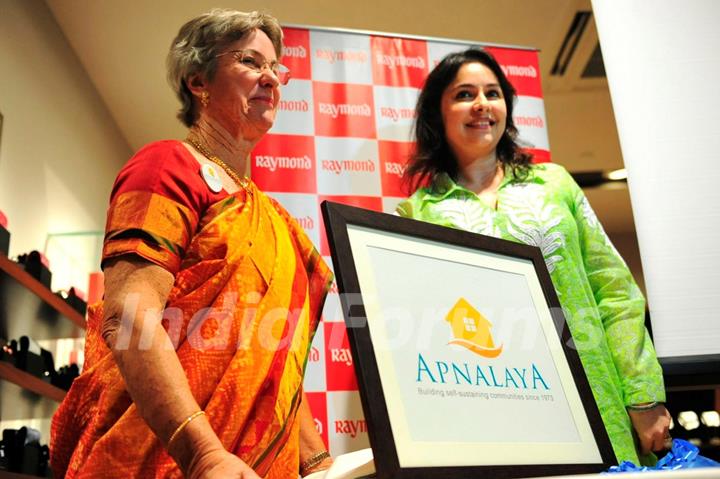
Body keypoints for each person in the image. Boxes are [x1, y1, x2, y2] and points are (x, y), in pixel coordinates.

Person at [51, 10, 333, 478]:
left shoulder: (276, 221)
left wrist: (320, 465)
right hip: (170, 461)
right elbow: (128, 317)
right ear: (198, 81)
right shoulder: (168, 166)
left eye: (277, 69)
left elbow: (274, 369)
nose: (271, 79)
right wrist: (202, 453)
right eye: (250, 61)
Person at [396, 48, 671, 465]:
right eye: (464, 94)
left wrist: (643, 395)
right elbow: (429, 336)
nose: (482, 104)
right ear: (439, 113)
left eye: (493, 93)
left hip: (599, 397)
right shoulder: (419, 213)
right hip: (496, 416)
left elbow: (614, 291)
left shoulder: (554, 183)